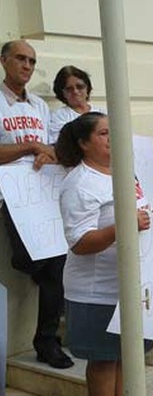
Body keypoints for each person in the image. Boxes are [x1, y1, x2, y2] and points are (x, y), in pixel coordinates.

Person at [56, 112, 153, 396]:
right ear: (83, 142)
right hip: (97, 292)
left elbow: (141, 211)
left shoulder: (124, 172)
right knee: (105, 361)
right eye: (104, 133)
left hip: (131, 288)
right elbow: (80, 242)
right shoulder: (79, 183)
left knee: (126, 360)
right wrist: (122, 228)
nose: (112, 137)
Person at [0, 40, 73, 369]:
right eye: (20, 58)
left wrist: (46, 151)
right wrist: (30, 145)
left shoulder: (41, 107)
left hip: (41, 194)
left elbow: (50, 149)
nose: (27, 65)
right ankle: (28, 264)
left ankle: (46, 341)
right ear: (4, 61)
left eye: (31, 60)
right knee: (36, 262)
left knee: (56, 264)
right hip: (9, 198)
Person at [48, 65, 105, 144]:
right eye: (69, 89)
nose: (75, 91)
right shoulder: (58, 117)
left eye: (80, 87)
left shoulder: (103, 113)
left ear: (87, 88)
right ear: (62, 93)